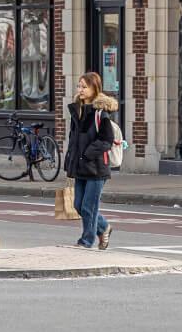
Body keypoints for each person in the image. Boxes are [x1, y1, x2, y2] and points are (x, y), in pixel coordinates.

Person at [64, 72, 117, 250]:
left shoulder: (101, 113)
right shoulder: (77, 111)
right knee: (78, 205)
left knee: (89, 207)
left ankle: (87, 241)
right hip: (80, 166)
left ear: (95, 89)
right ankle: (104, 227)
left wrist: (87, 154)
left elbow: (106, 140)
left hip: (96, 167)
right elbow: (73, 139)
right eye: (79, 86)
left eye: (84, 87)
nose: (80, 90)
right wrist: (70, 161)